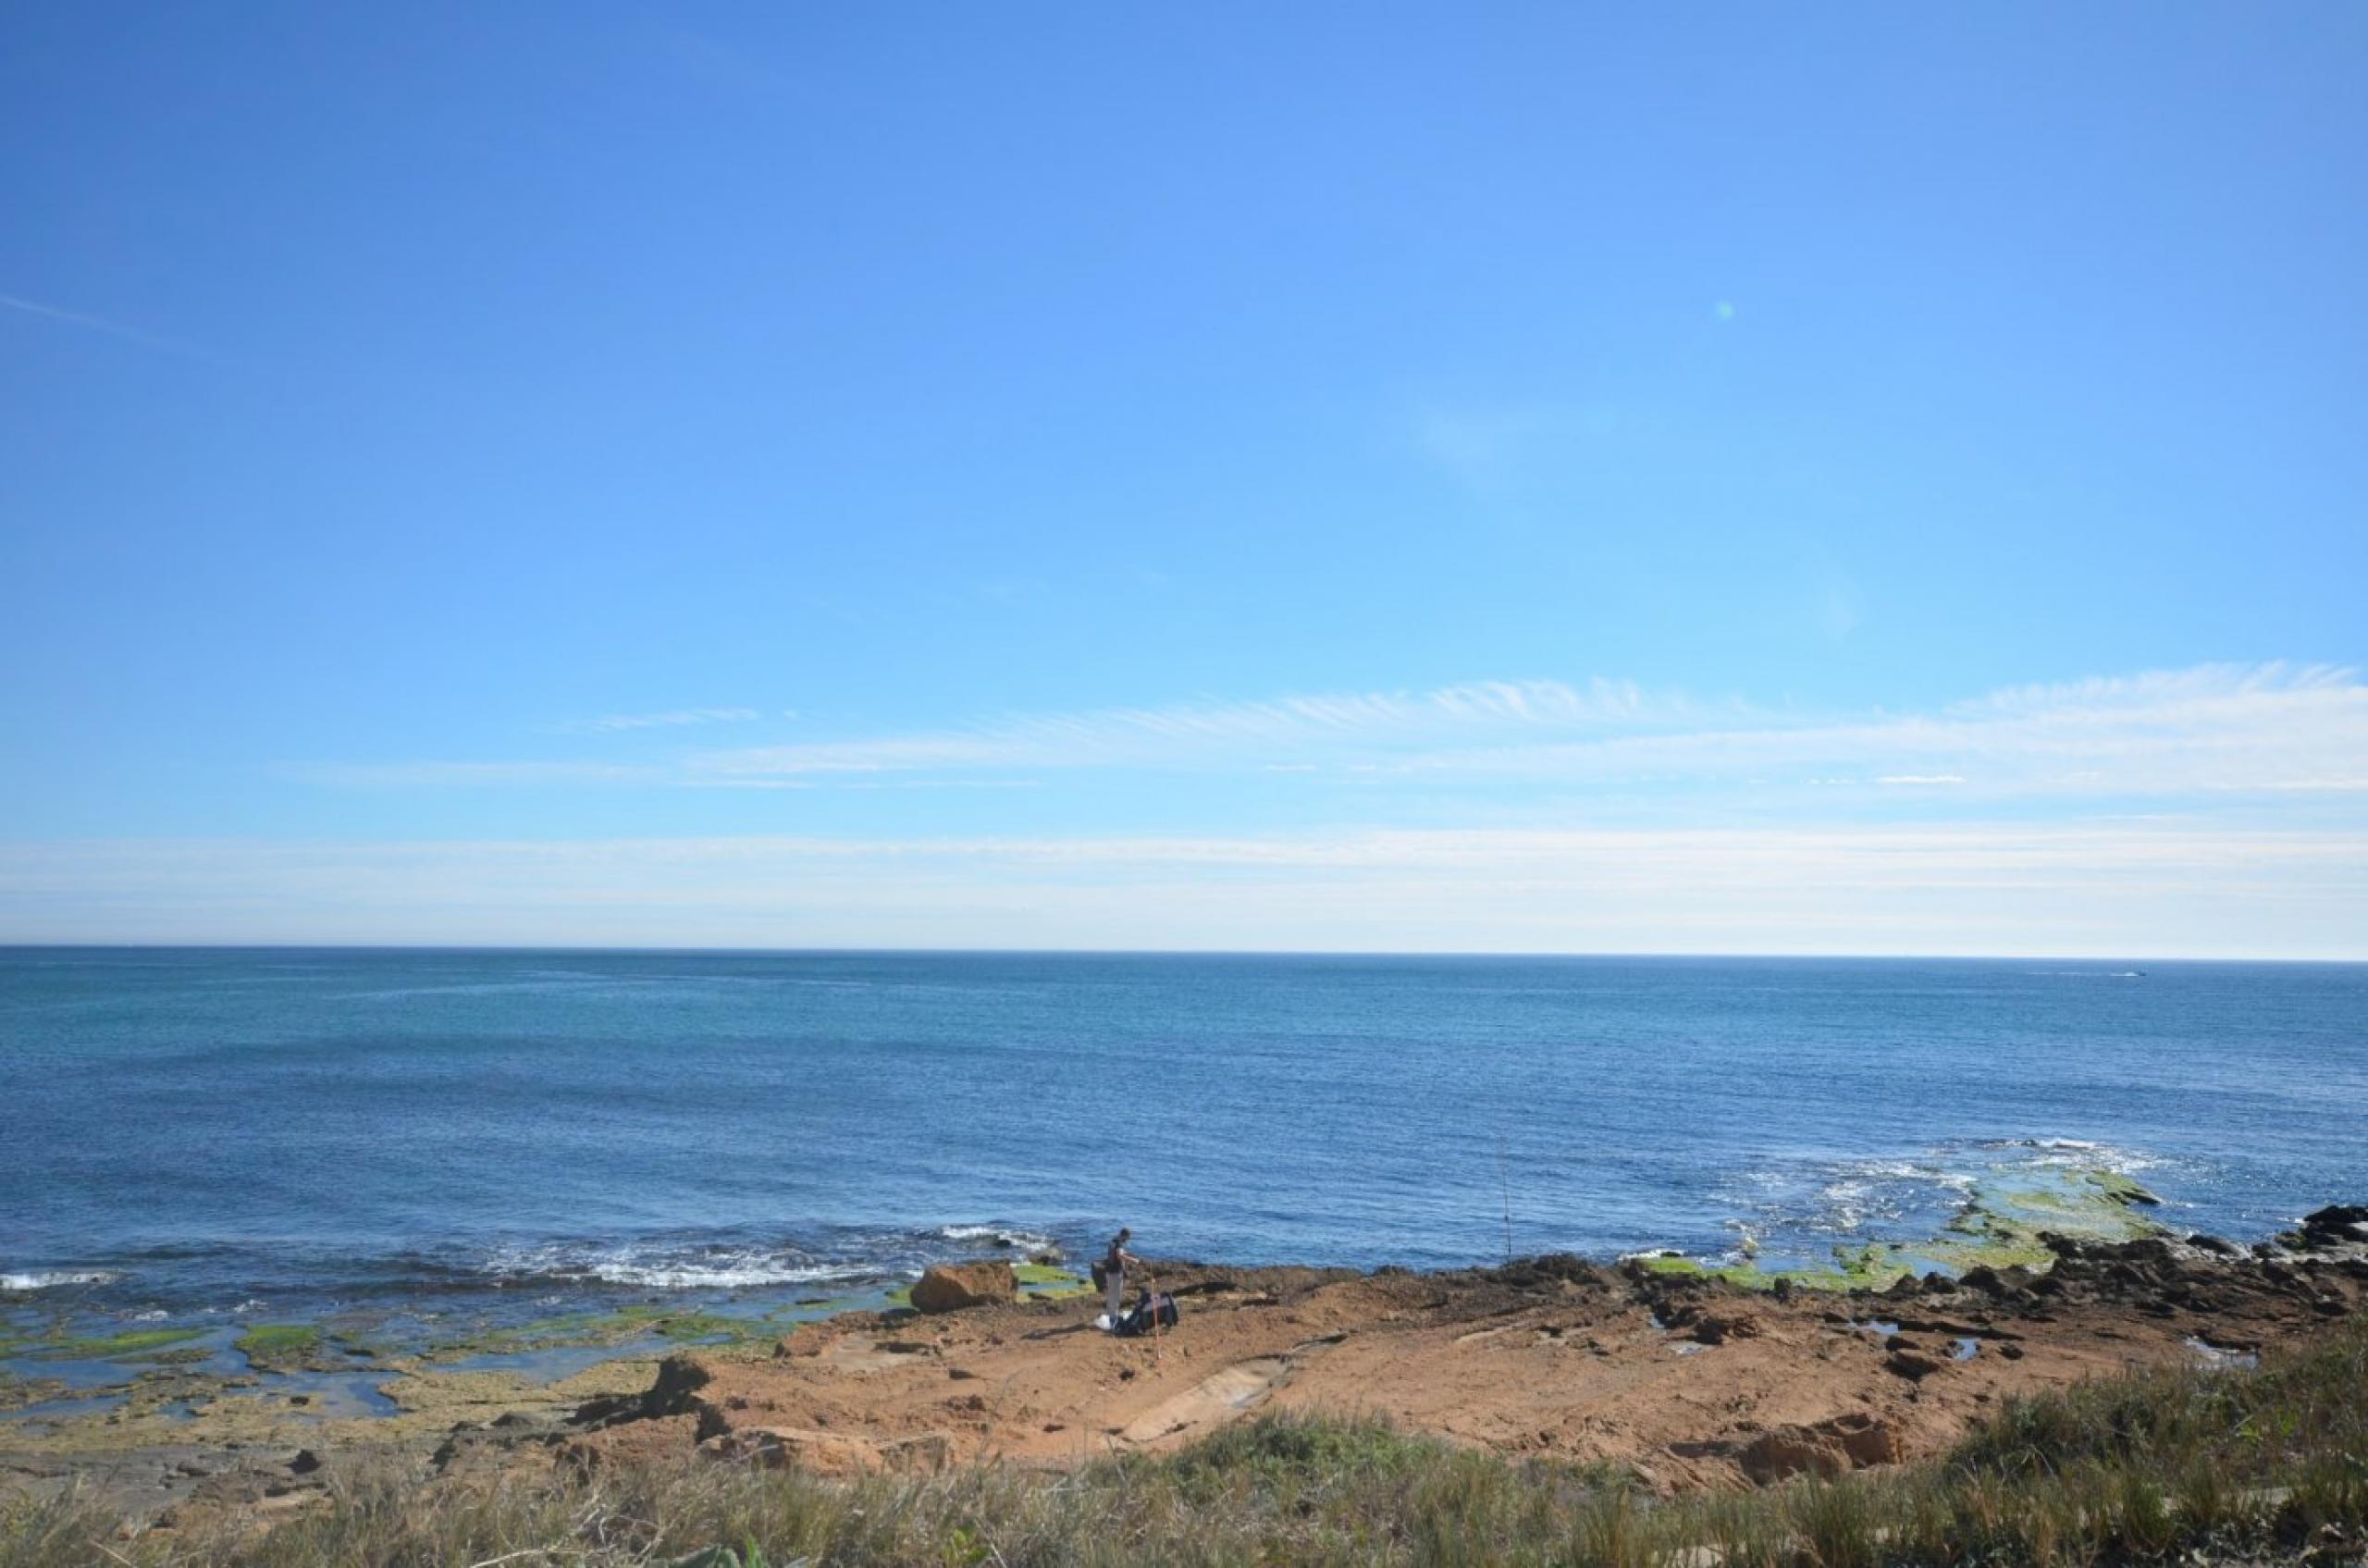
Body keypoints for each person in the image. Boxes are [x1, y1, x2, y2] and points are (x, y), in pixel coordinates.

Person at [1101, 1228, 1140, 1322]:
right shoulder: (1119, 1243)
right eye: (1128, 1237)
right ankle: (1114, 1317)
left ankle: (1110, 1314)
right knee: (1116, 1295)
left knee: (1110, 1295)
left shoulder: (1113, 1241)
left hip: (1109, 1271)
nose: (1128, 1240)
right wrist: (1133, 1260)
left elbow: (1117, 1253)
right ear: (1125, 1236)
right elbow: (1119, 1255)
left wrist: (1127, 1254)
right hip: (1115, 1273)